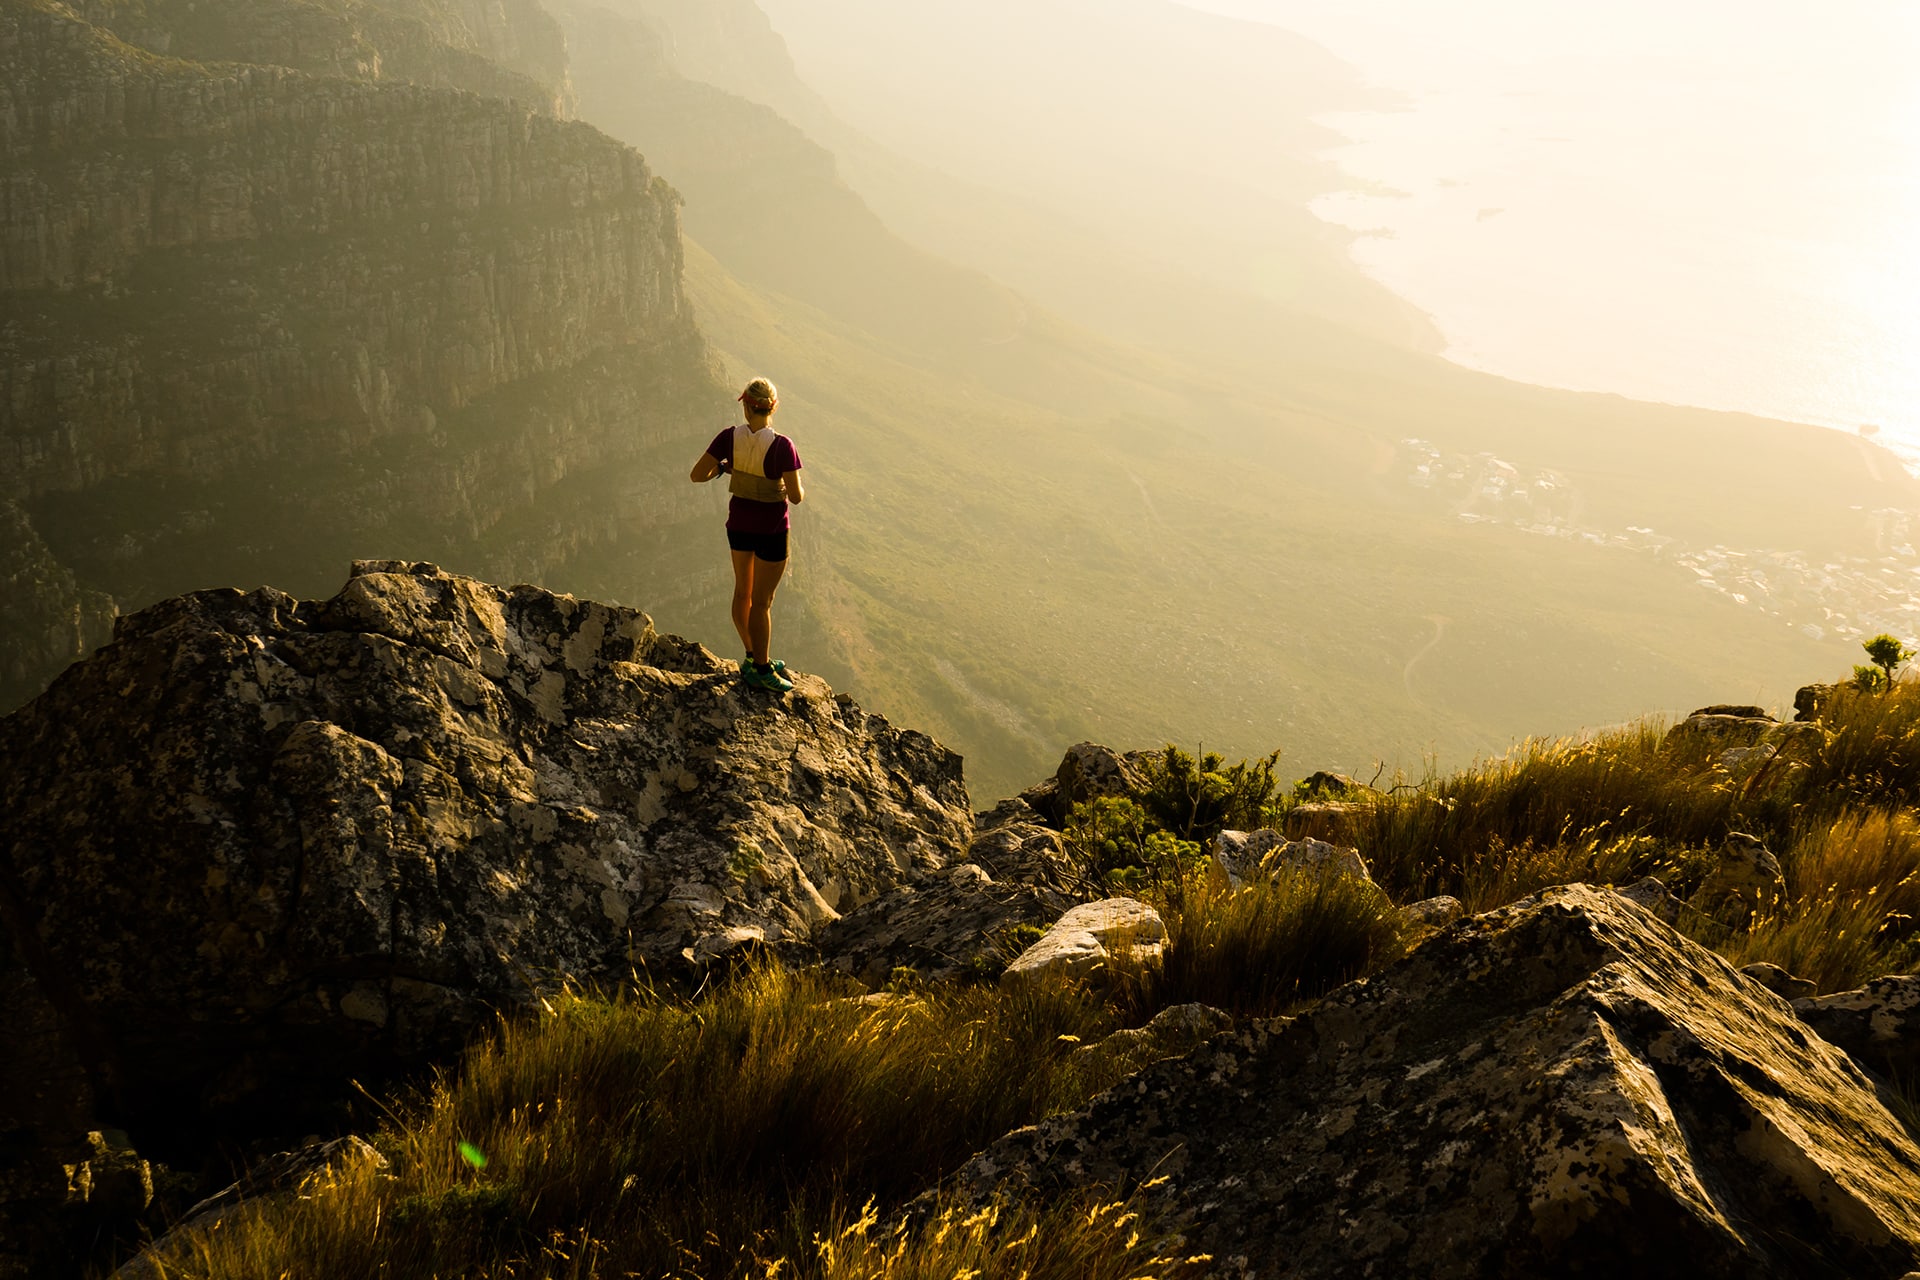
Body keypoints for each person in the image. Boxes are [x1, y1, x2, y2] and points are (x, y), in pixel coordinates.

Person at [689, 378, 805, 691]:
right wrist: (785, 484)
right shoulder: (783, 447)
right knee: (763, 602)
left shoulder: (729, 438)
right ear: (774, 406)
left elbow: (698, 475)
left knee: (743, 592)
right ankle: (762, 669)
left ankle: (753, 655)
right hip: (771, 530)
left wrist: (727, 469)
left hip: (738, 525)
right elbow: (795, 497)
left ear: (745, 406)